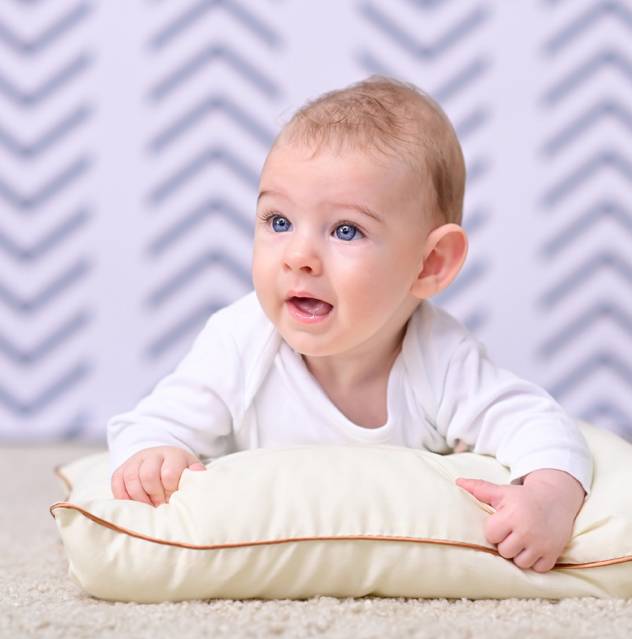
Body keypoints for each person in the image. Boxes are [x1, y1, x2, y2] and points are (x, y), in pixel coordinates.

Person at [107, 75, 593, 573]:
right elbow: (151, 423)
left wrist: (548, 499)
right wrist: (154, 454)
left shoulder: (441, 356)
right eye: (278, 222)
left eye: (346, 230)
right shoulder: (241, 340)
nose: (298, 256)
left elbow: (539, 425)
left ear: (430, 264)